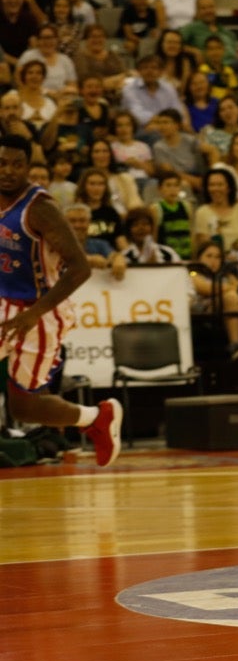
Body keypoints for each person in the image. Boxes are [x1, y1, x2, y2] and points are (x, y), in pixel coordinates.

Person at [0, 135, 122, 465]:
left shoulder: (40, 208)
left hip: (38, 312)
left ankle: (97, 417)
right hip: (5, 303)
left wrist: (33, 314)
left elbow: (80, 268)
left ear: (28, 167)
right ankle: (95, 418)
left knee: (24, 408)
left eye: (16, 164)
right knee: (22, 406)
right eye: (2, 163)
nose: (8, 171)